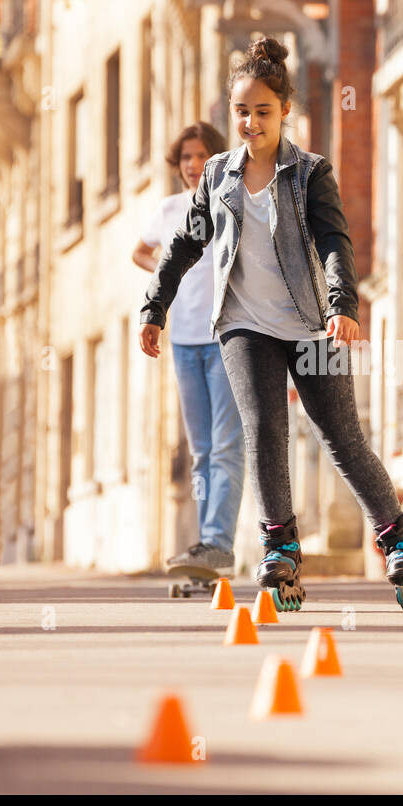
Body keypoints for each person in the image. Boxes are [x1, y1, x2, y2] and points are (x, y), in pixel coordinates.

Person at [136, 37, 403, 611]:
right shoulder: (218, 176)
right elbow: (181, 246)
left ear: (285, 112)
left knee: (341, 436)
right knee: (265, 431)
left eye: (262, 112)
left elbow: (334, 242)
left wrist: (344, 304)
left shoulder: (310, 174)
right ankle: (280, 547)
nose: (250, 123)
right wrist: (155, 306)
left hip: (315, 325)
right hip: (244, 327)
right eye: (241, 112)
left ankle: (399, 539)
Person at [132, 121, 242, 574]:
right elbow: (139, 251)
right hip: (184, 342)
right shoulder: (171, 208)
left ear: (216, 159)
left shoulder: (232, 202)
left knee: (226, 447)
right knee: (201, 450)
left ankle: (218, 542)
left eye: (201, 156)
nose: (194, 165)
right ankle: (205, 547)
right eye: (186, 158)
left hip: (227, 338)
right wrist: (165, 270)